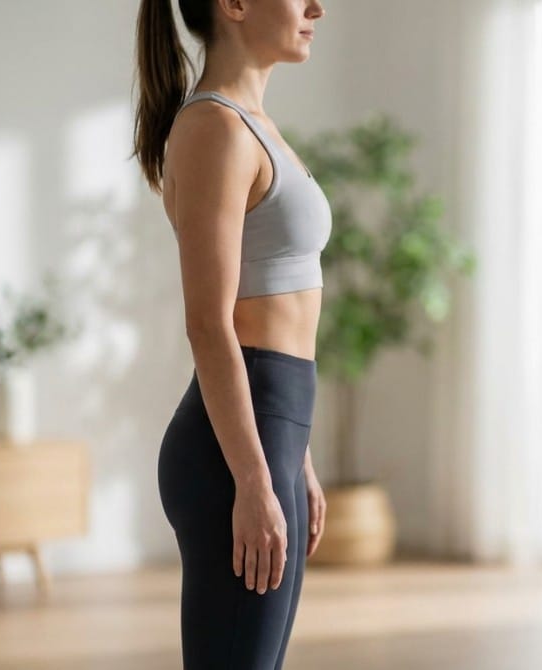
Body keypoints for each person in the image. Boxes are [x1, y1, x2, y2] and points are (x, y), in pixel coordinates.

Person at [131, 1, 330, 668]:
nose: (315, 8)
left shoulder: (253, 126)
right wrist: (251, 478)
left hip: (272, 428)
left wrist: (294, 458)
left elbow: (269, 311)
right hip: (229, 456)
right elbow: (211, 322)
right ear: (236, 4)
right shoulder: (214, 128)